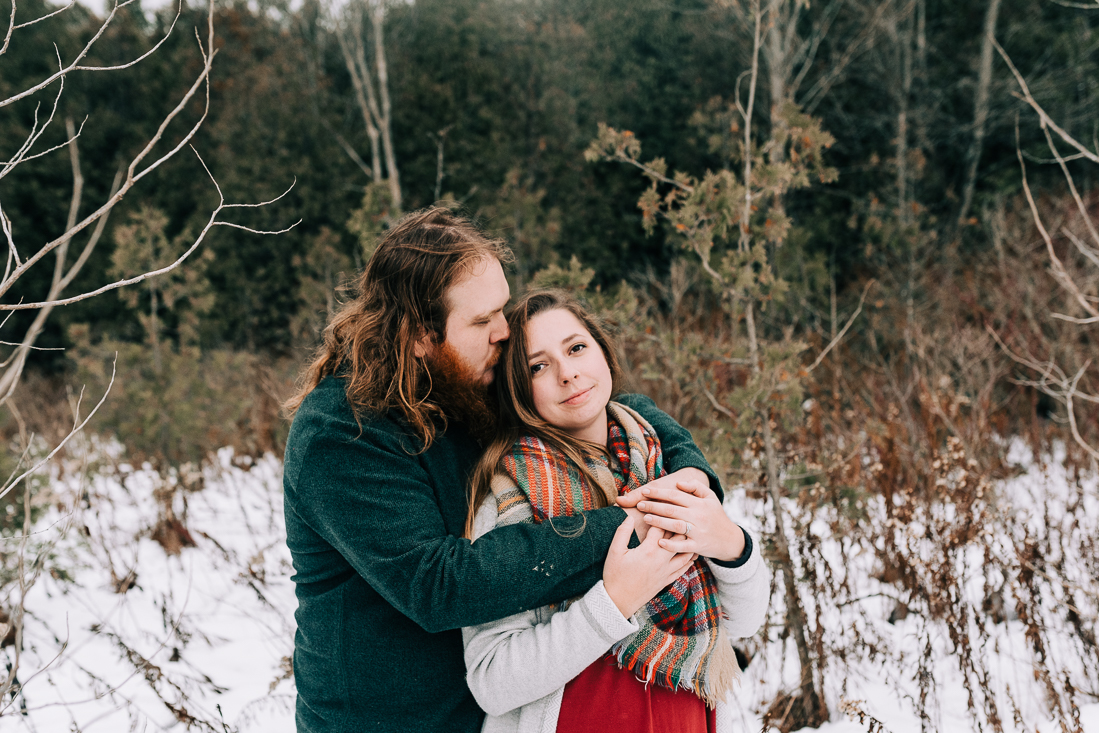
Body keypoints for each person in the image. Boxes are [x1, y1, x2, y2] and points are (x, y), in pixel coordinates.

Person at [282, 207, 727, 733]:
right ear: (421, 336)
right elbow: (440, 585)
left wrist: (691, 477)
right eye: (481, 320)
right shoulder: (341, 434)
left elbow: (606, 402)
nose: (503, 331)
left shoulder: (464, 379)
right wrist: (635, 524)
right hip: (383, 721)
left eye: (501, 309)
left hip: (489, 715)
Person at [462, 290, 770, 733]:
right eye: (538, 366)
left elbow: (746, 620)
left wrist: (731, 544)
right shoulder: (510, 500)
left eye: (576, 348)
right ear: (517, 390)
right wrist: (614, 602)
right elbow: (492, 680)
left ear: (603, 353)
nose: (568, 373)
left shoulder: (668, 468)